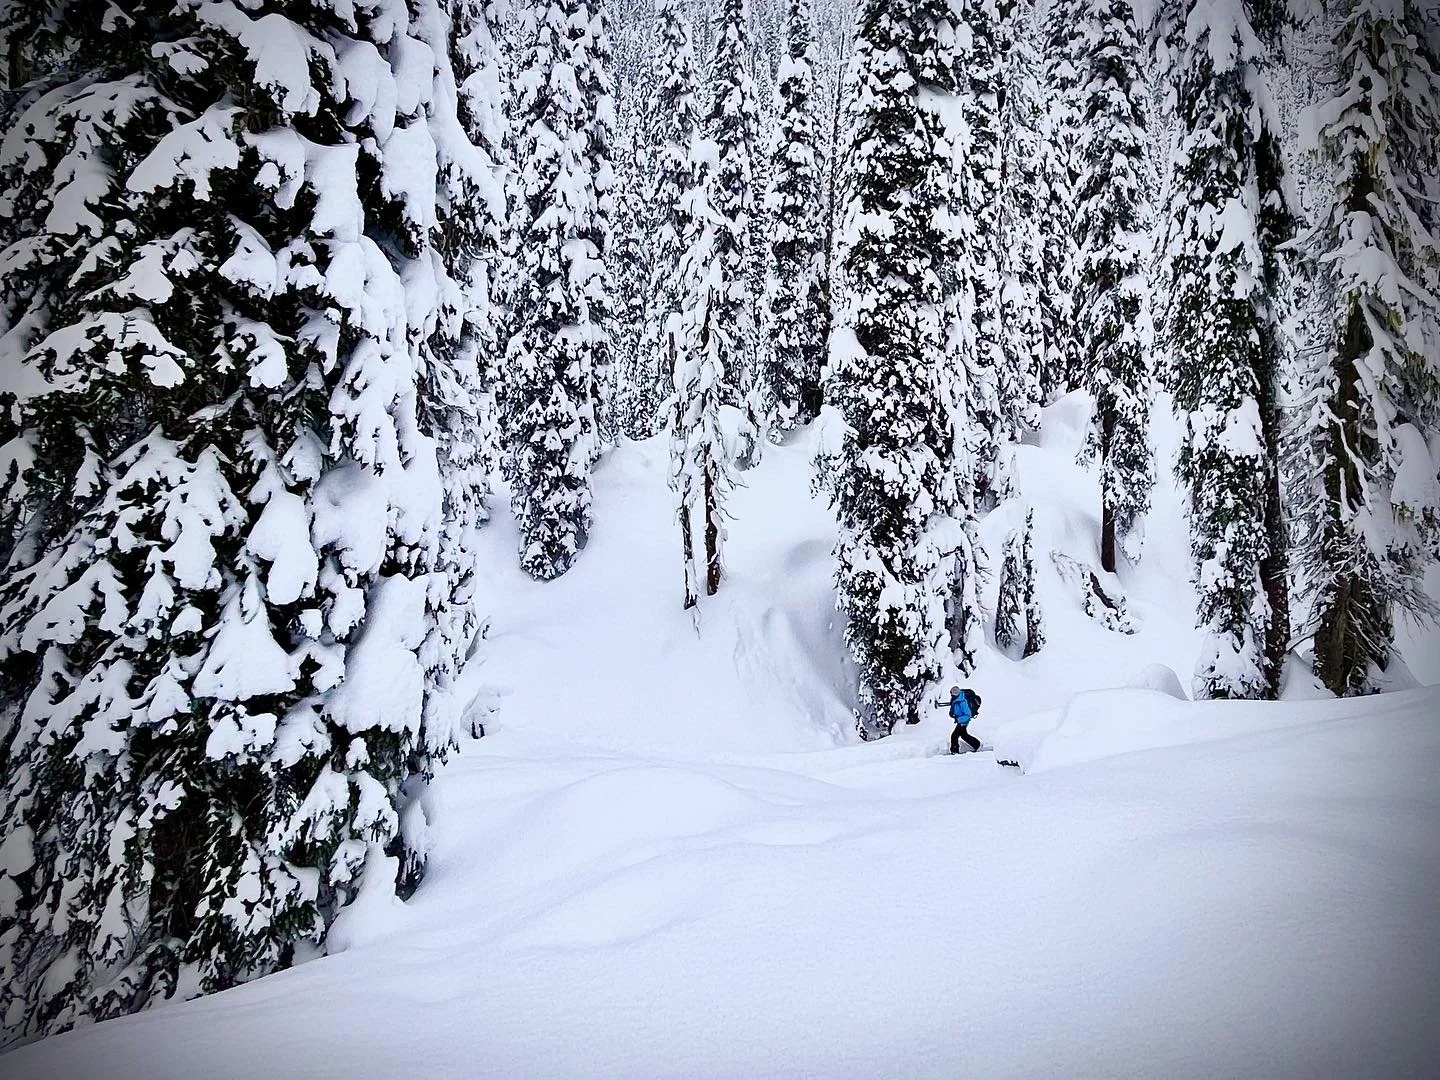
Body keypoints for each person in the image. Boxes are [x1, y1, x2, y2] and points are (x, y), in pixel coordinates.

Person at [940, 685, 982, 755]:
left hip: (963, 721)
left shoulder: (962, 702)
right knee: (964, 735)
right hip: (961, 721)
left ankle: (954, 751)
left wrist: (958, 719)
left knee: (954, 736)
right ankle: (977, 745)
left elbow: (968, 715)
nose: (953, 694)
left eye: (954, 693)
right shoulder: (957, 698)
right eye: (952, 692)